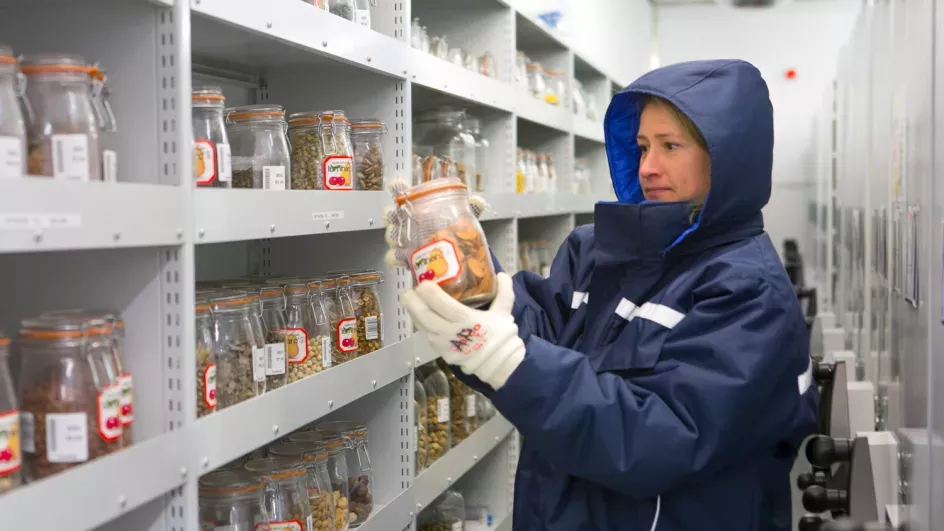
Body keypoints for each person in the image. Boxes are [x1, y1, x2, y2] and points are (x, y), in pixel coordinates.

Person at [399, 59, 818, 531]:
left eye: (670, 146)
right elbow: (529, 332)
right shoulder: (598, 251)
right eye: (641, 147)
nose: (649, 167)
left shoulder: (748, 292)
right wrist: (461, 263)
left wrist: (507, 359)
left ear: (727, 158)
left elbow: (656, 442)